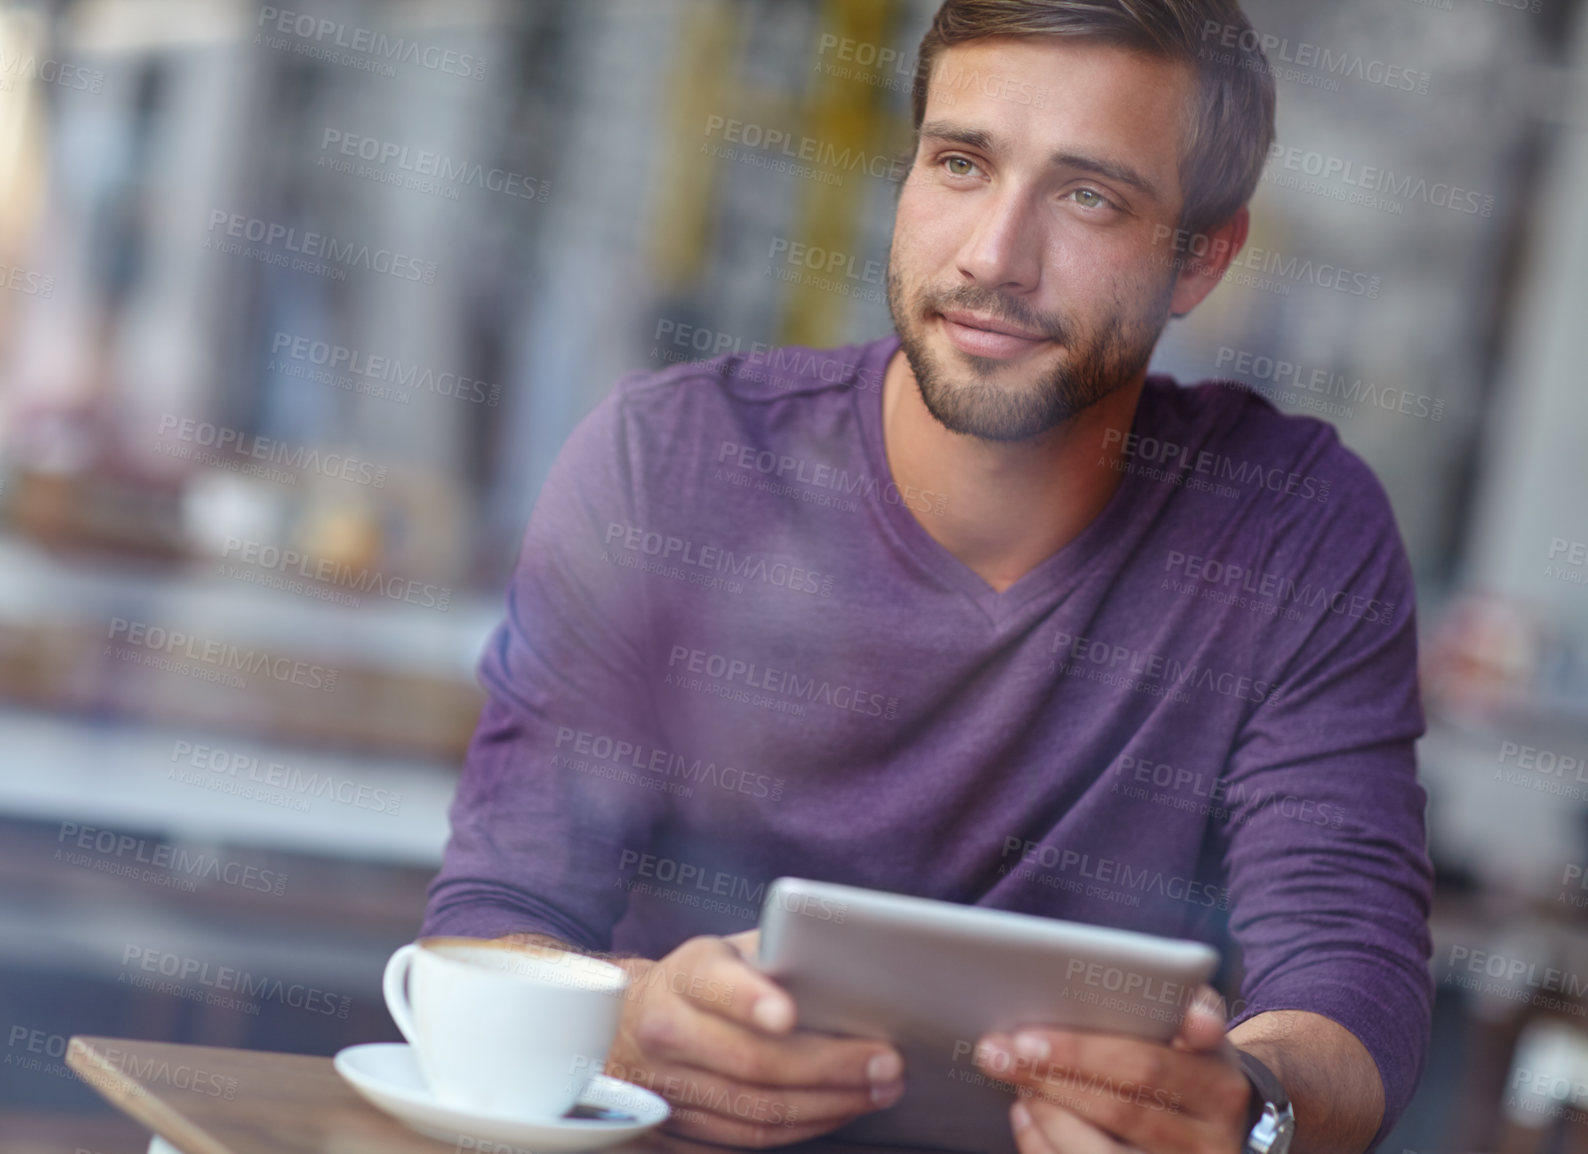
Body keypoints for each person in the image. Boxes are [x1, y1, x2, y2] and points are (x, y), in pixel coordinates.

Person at [422, 1, 1432, 1151]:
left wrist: (1252, 1110)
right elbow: (499, 912)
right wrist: (619, 1023)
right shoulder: (671, 461)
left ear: (1201, 255)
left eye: (1089, 194)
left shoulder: (1293, 525)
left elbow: (1351, 976)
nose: (993, 257)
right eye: (960, 162)